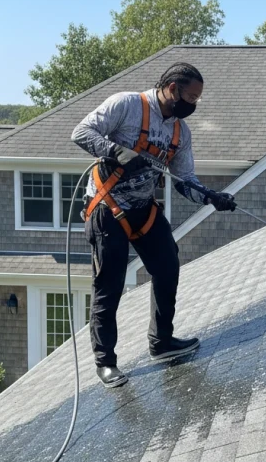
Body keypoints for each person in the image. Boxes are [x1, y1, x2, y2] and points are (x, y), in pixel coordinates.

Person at [71, 63, 236, 388]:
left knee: (167, 266)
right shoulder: (127, 105)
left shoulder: (179, 133)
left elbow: (184, 181)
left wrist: (211, 197)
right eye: (191, 96)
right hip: (107, 206)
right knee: (110, 283)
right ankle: (106, 363)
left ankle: (161, 342)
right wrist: (115, 151)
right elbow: (81, 132)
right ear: (173, 88)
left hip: (143, 208)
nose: (194, 104)